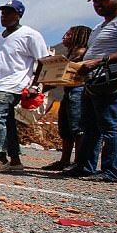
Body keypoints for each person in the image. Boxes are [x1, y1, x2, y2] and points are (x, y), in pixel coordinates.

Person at [65, 0, 117, 183]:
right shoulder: (101, 26)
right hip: (94, 80)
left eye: (103, 0)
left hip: (111, 79)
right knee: (90, 126)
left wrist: (100, 61)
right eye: (95, 1)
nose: (98, 4)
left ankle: (113, 171)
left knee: (112, 126)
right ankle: (85, 166)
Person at [0, 0, 50, 173]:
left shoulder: (30, 35)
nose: (4, 16)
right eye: (3, 13)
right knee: (8, 122)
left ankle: (1, 157)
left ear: (18, 15)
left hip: (14, 85)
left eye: (9, 13)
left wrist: (35, 85)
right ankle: (15, 160)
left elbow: (43, 60)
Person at [42, 25, 91, 171]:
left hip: (78, 91)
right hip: (69, 91)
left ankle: (78, 161)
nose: (64, 37)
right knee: (66, 127)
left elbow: (67, 72)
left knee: (77, 127)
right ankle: (65, 160)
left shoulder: (81, 53)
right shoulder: (71, 53)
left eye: (68, 35)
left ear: (78, 36)